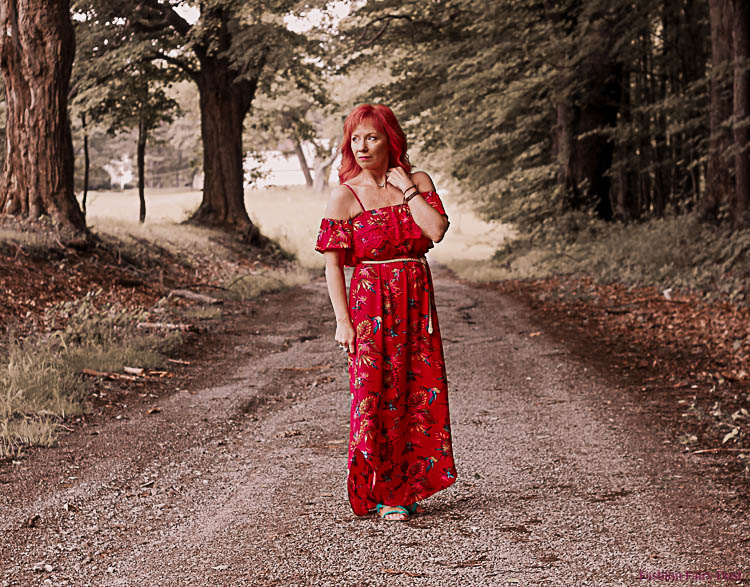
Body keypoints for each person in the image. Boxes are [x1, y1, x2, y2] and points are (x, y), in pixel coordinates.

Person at [315, 104, 457, 521]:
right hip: (370, 307)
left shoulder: (417, 182)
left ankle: (407, 488)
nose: (361, 146)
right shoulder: (345, 195)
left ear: (390, 140)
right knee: (375, 396)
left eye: (371, 137)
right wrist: (343, 322)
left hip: (416, 304)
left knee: (416, 391)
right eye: (355, 138)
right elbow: (332, 265)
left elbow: (435, 231)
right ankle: (381, 488)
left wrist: (408, 190)